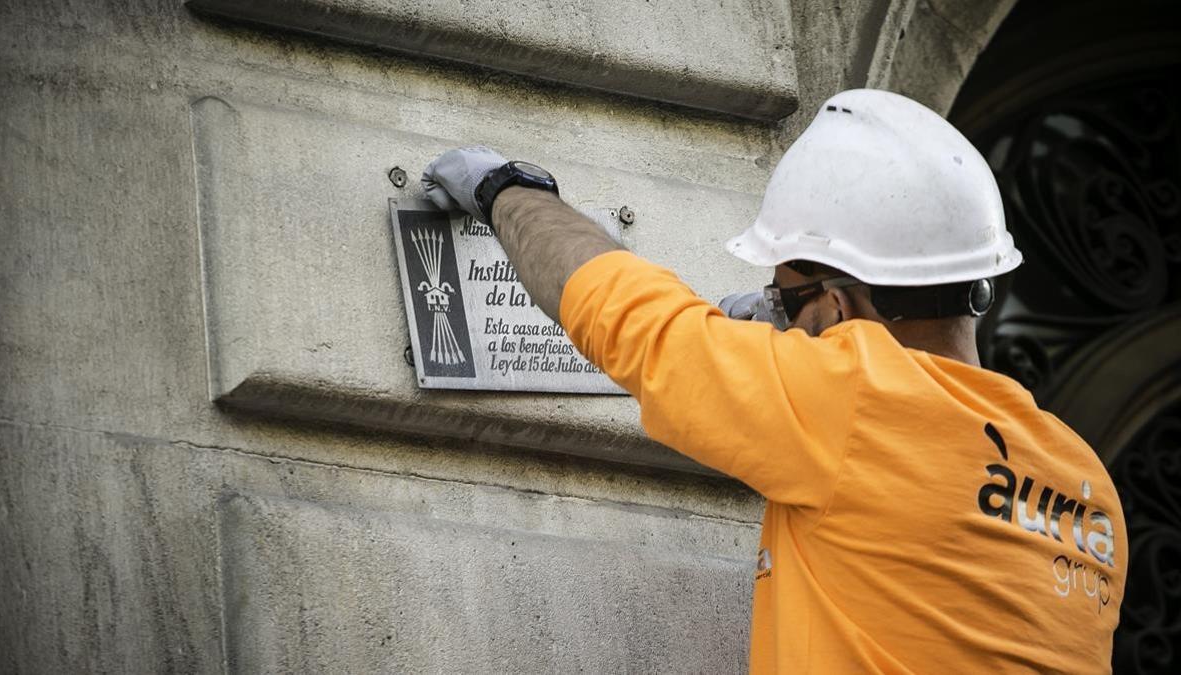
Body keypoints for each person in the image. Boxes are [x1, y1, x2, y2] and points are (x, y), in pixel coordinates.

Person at [420, 89, 1126, 673]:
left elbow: (632, 319)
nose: (771, 316)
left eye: (784, 299)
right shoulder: (1085, 483)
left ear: (838, 308)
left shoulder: (853, 397)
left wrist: (509, 192)